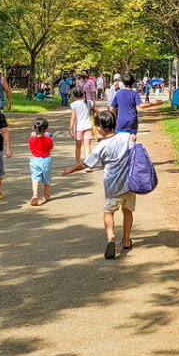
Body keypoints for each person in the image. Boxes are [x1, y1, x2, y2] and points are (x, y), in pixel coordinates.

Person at [62, 111, 136, 259]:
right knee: (127, 211)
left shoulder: (101, 146)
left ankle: (111, 237)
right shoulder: (126, 137)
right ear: (115, 124)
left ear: (101, 128)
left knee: (108, 211)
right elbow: (133, 149)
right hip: (129, 183)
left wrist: (72, 169)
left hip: (112, 185)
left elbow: (86, 164)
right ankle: (126, 240)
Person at [28, 117, 54, 206]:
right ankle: (45, 195)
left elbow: (31, 148)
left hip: (35, 159)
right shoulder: (48, 139)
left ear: (33, 128)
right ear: (46, 129)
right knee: (47, 179)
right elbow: (51, 147)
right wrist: (48, 136)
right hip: (46, 159)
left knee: (35, 178)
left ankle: (35, 194)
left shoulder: (31, 138)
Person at [69, 86, 94, 167]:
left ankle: (77, 163)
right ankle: (88, 165)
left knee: (78, 146)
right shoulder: (89, 102)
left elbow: (73, 118)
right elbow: (96, 110)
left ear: (74, 95)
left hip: (78, 128)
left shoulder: (74, 104)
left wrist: (71, 129)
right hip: (88, 126)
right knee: (88, 146)